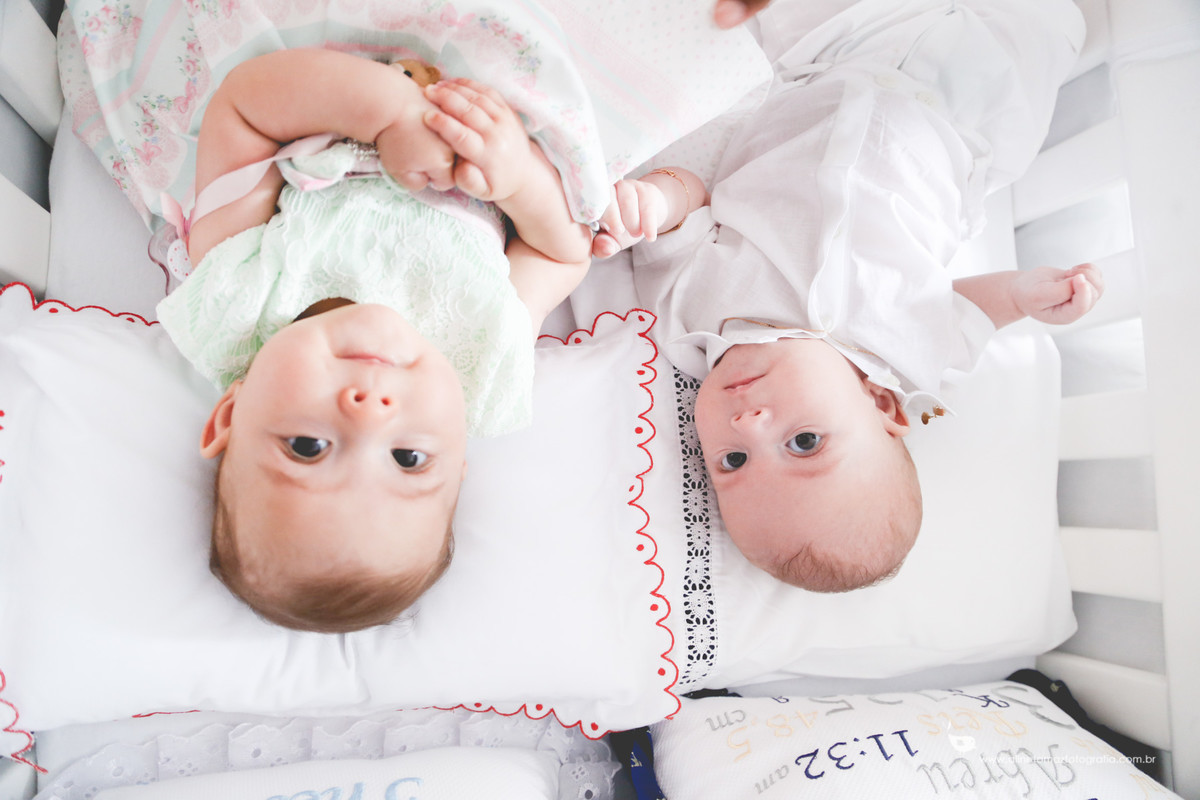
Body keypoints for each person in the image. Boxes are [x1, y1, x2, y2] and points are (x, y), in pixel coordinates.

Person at [593, 0, 1099, 592]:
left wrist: (654, 203)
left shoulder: (687, 320)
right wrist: (1023, 295)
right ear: (882, 408)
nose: (750, 424)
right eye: (803, 443)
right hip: (968, 117)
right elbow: (973, 312)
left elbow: (691, 201)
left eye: (733, 461)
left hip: (825, 61)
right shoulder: (909, 361)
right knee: (1054, 24)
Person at [156, 48, 592, 632]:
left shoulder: (234, 303)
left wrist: (391, 118)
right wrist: (517, 179)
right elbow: (559, 252)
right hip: (498, 99)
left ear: (230, 413)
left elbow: (243, 108)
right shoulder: (486, 363)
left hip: (336, 58)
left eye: (307, 447)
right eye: (408, 459)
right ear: (460, 457)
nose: (369, 414)